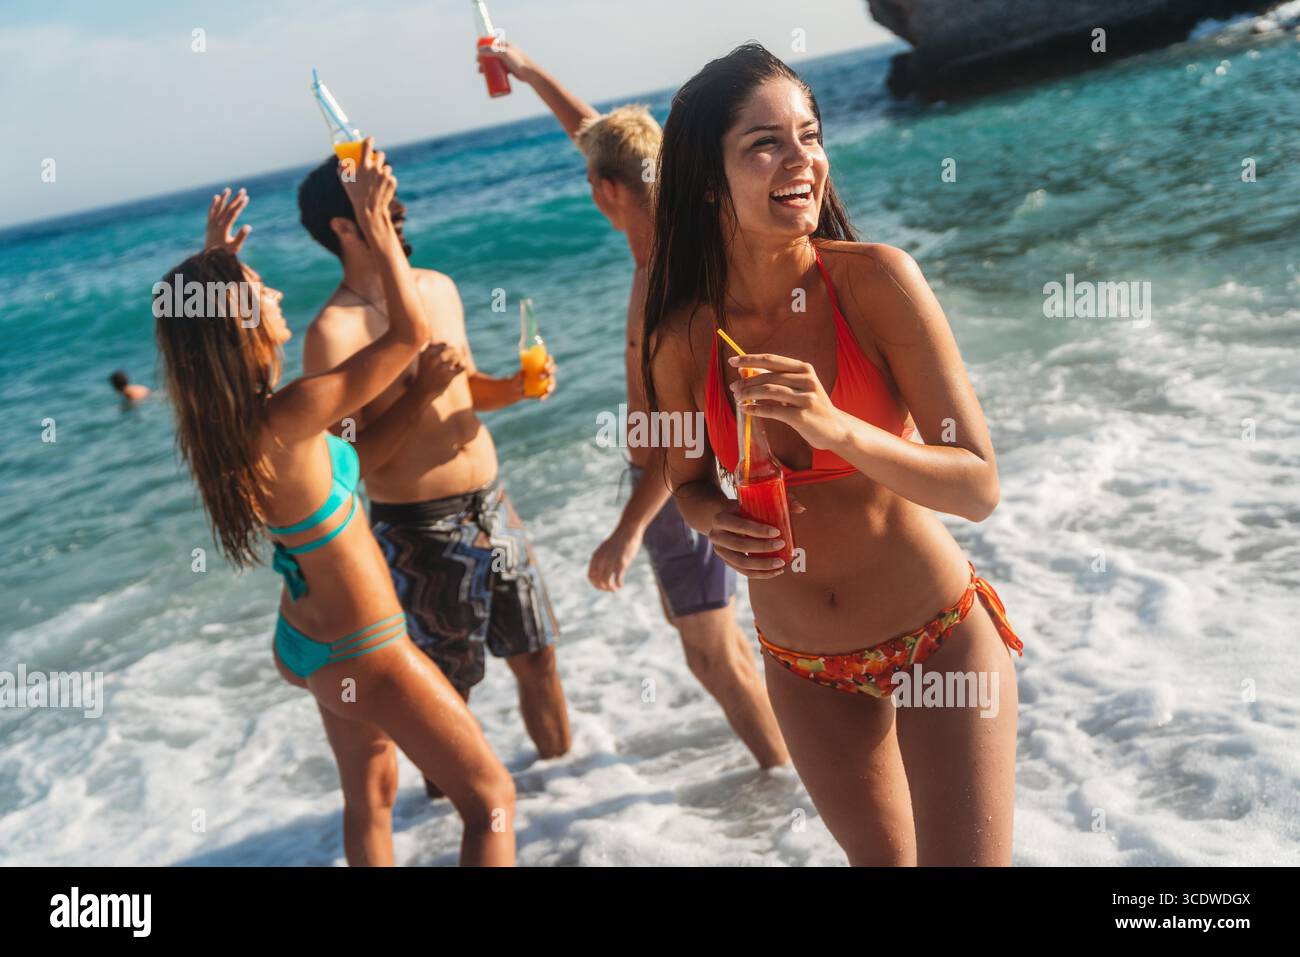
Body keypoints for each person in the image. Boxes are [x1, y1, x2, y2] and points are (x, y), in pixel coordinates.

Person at [643, 45, 1025, 865]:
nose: (802, 160)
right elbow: (684, 480)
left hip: (937, 634)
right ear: (710, 181)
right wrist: (713, 519)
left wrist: (837, 428)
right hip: (802, 664)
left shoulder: (878, 282)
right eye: (765, 144)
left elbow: (979, 485)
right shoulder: (681, 335)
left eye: (809, 136)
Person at [156, 151, 516, 866]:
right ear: (240, 324)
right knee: (491, 801)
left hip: (307, 642)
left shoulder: (229, 425)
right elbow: (408, 336)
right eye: (262, 291)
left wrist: (215, 265)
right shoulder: (291, 410)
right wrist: (378, 225)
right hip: (367, 646)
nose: (281, 294)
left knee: (372, 797)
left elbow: (351, 458)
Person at [481, 40, 788, 768]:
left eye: (593, 180)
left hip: (684, 488)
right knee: (716, 647)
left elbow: (681, 428)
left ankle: (787, 780)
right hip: (681, 486)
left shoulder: (667, 285)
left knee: (713, 654)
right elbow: (597, 135)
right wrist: (528, 72)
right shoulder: (664, 233)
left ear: (605, 192)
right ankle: (794, 769)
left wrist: (623, 533)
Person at [295, 150, 570, 798]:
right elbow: (347, 464)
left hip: (493, 503)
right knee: (448, 693)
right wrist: (418, 392)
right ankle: (460, 831)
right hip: (420, 530)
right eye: (380, 199)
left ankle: (572, 805)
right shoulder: (332, 334)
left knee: (539, 656)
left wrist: (516, 387)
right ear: (344, 225)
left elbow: (464, 387)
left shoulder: (438, 287)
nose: (402, 206)